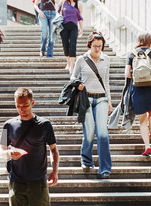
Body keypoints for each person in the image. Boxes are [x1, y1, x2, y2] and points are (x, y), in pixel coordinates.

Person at [0, 88, 59, 206]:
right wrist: (9, 154)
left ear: (32, 103)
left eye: (25, 105)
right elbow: (0, 151)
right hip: (16, 181)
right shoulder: (8, 125)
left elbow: (54, 151)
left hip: (38, 181)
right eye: (18, 106)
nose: (21, 109)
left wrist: (55, 171)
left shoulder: (44, 124)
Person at [72, 31, 112, 179]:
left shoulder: (106, 59)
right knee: (89, 132)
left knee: (102, 132)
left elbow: (106, 81)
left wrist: (109, 101)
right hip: (86, 99)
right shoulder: (81, 60)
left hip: (101, 98)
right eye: (95, 46)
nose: (97, 49)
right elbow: (73, 77)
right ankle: (87, 160)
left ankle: (105, 168)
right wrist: (78, 85)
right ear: (89, 44)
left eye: (100, 46)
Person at [125, 32, 151, 156]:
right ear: (150, 41)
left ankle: (147, 146)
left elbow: (127, 74)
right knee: (150, 110)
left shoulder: (131, 54)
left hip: (138, 88)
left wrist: (138, 78)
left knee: (142, 120)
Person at [58, 0, 83, 74]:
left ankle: (72, 66)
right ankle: (68, 63)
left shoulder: (79, 3)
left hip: (74, 27)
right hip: (63, 27)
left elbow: (80, 17)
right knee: (65, 45)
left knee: (72, 44)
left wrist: (81, 29)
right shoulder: (62, 2)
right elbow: (57, 13)